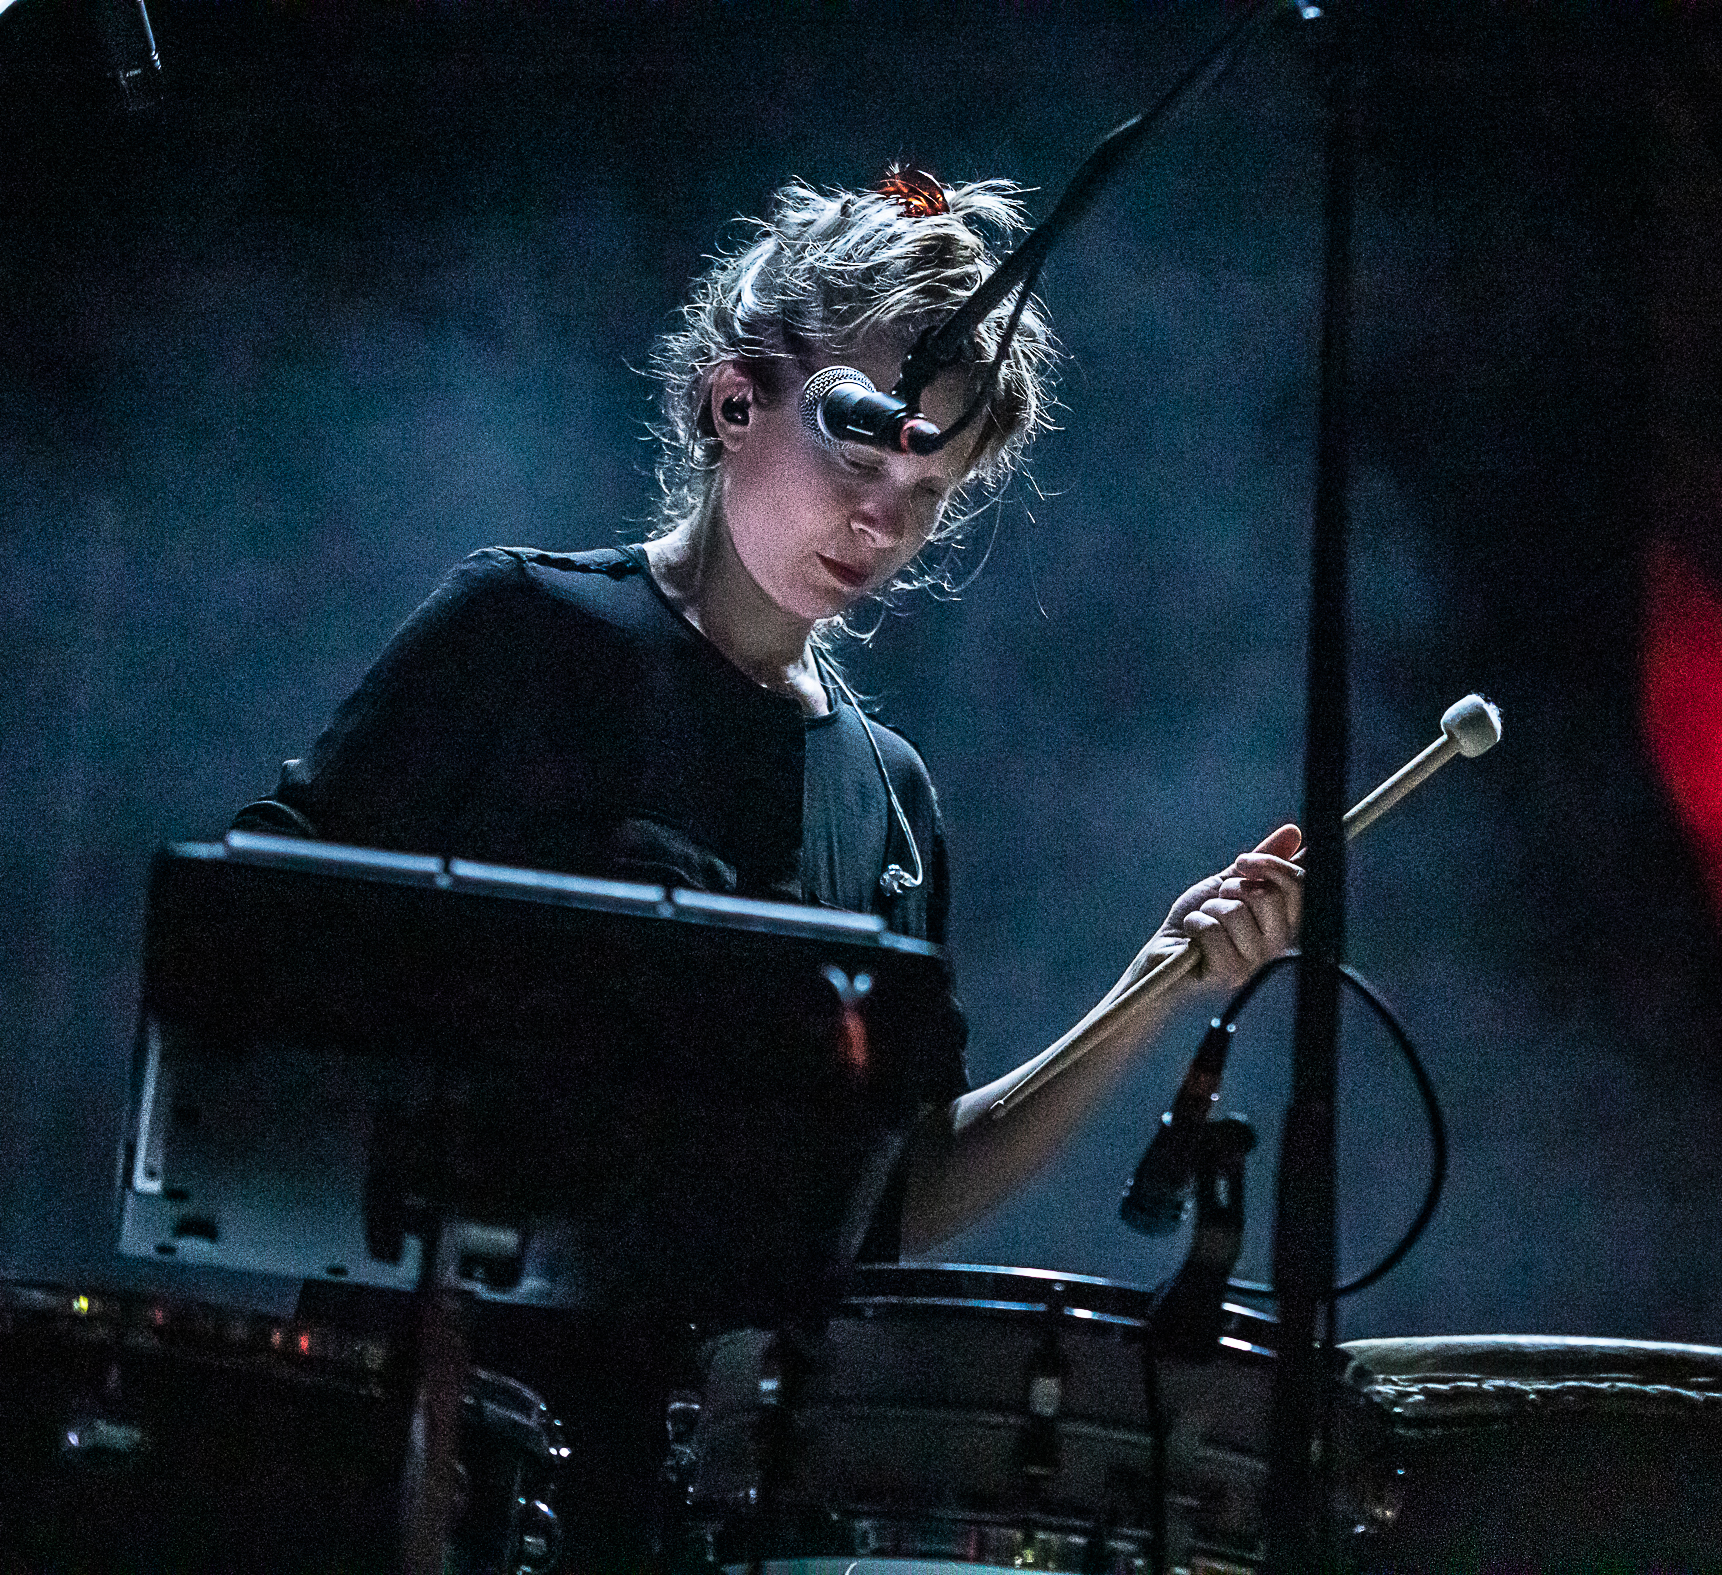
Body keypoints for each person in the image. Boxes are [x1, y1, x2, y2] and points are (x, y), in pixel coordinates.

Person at [236, 170, 1302, 1569]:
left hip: (693, 1494)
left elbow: (892, 1197)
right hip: (417, 1434)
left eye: (929, 492)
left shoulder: (888, 797)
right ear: (734, 402)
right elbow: (260, 951)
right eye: (862, 452)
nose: (883, 521)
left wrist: (1147, 994)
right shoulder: (523, 631)